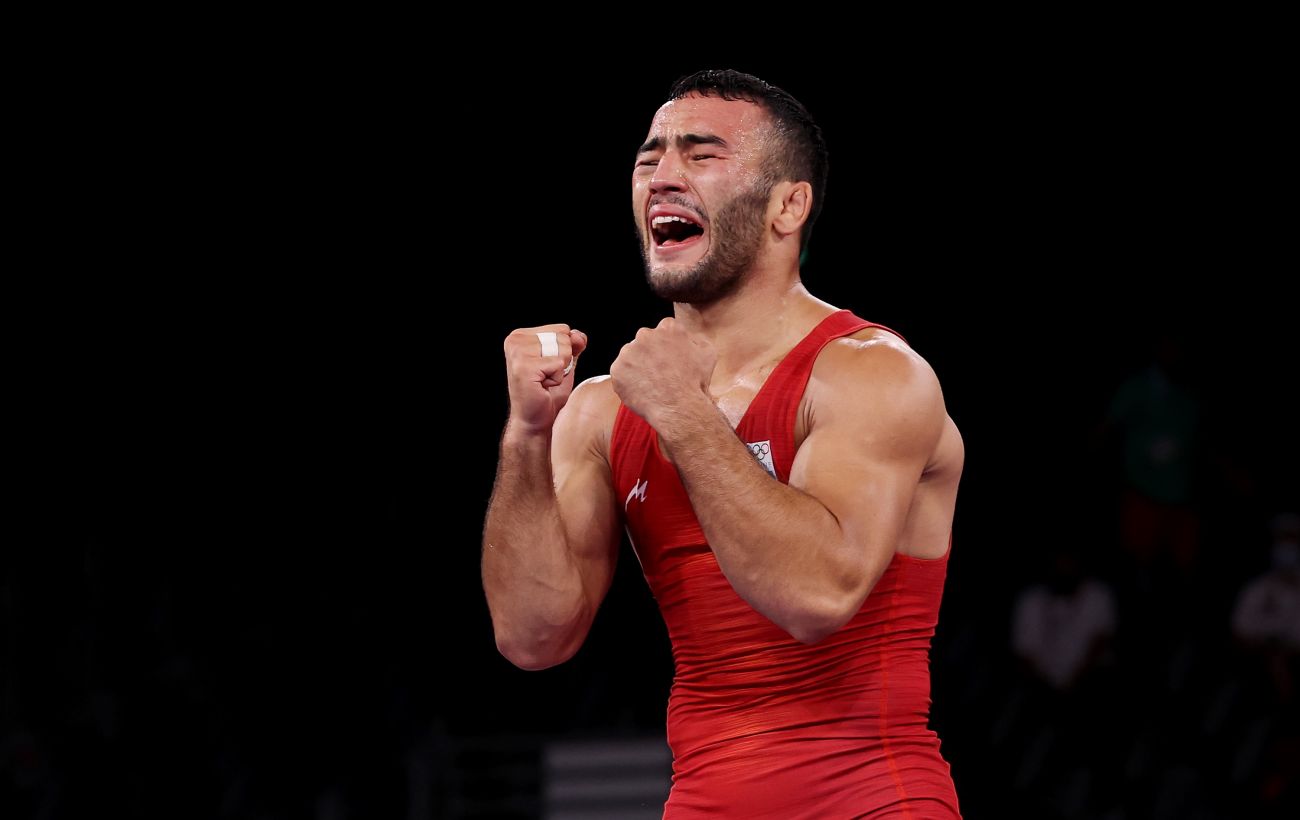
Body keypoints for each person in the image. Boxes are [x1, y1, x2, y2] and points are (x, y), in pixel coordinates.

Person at [482, 69, 964, 818]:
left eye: (701, 155)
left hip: (872, 798)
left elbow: (816, 596)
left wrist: (682, 412)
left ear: (788, 206)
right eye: (649, 159)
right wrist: (527, 432)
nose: (663, 177)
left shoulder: (870, 375)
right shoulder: (603, 409)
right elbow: (532, 638)